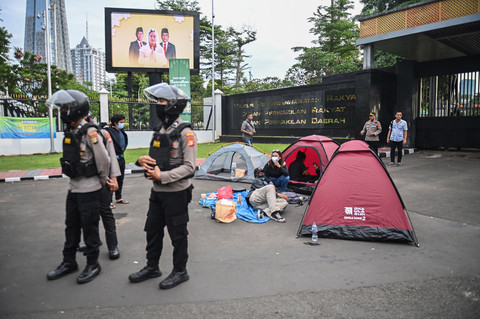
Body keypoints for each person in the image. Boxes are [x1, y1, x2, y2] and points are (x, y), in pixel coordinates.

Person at [128, 83, 197, 290]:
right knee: (153, 230)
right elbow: (155, 158)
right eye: (157, 101)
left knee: (178, 234)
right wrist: (141, 161)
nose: (157, 105)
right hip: (157, 192)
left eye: (161, 101)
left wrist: (163, 175)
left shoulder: (186, 133)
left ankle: (180, 271)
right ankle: (152, 266)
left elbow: (190, 167)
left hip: (176, 193)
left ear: (174, 105)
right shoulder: (159, 130)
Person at [46, 90, 113, 284]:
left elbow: (104, 160)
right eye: (62, 108)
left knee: (89, 228)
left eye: (66, 108)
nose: (63, 112)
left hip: (90, 189)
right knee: (71, 226)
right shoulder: (72, 131)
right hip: (73, 189)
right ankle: (69, 262)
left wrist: (101, 183)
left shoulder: (90, 132)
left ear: (77, 109)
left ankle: (93, 264)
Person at [104, 114, 129, 206]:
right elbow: (98, 128)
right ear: (115, 123)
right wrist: (105, 124)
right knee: (111, 179)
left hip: (121, 158)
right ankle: (108, 201)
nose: (123, 124)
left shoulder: (122, 131)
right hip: (113, 158)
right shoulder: (109, 131)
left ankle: (118, 197)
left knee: (120, 179)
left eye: (123, 122)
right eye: (121, 122)